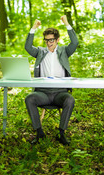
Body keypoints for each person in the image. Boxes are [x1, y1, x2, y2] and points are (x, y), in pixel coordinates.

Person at [25, 15, 79, 145]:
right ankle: (39, 132)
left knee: (70, 99)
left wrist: (66, 23)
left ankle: (61, 133)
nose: (49, 42)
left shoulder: (64, 51)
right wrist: (33, 28)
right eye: (47, 40)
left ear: (57, 39)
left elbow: (75, 42)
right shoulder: (40, 52)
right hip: (42, 93)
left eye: (52, 40)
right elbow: (27, 47)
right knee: (29, 98)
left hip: (60, 93)